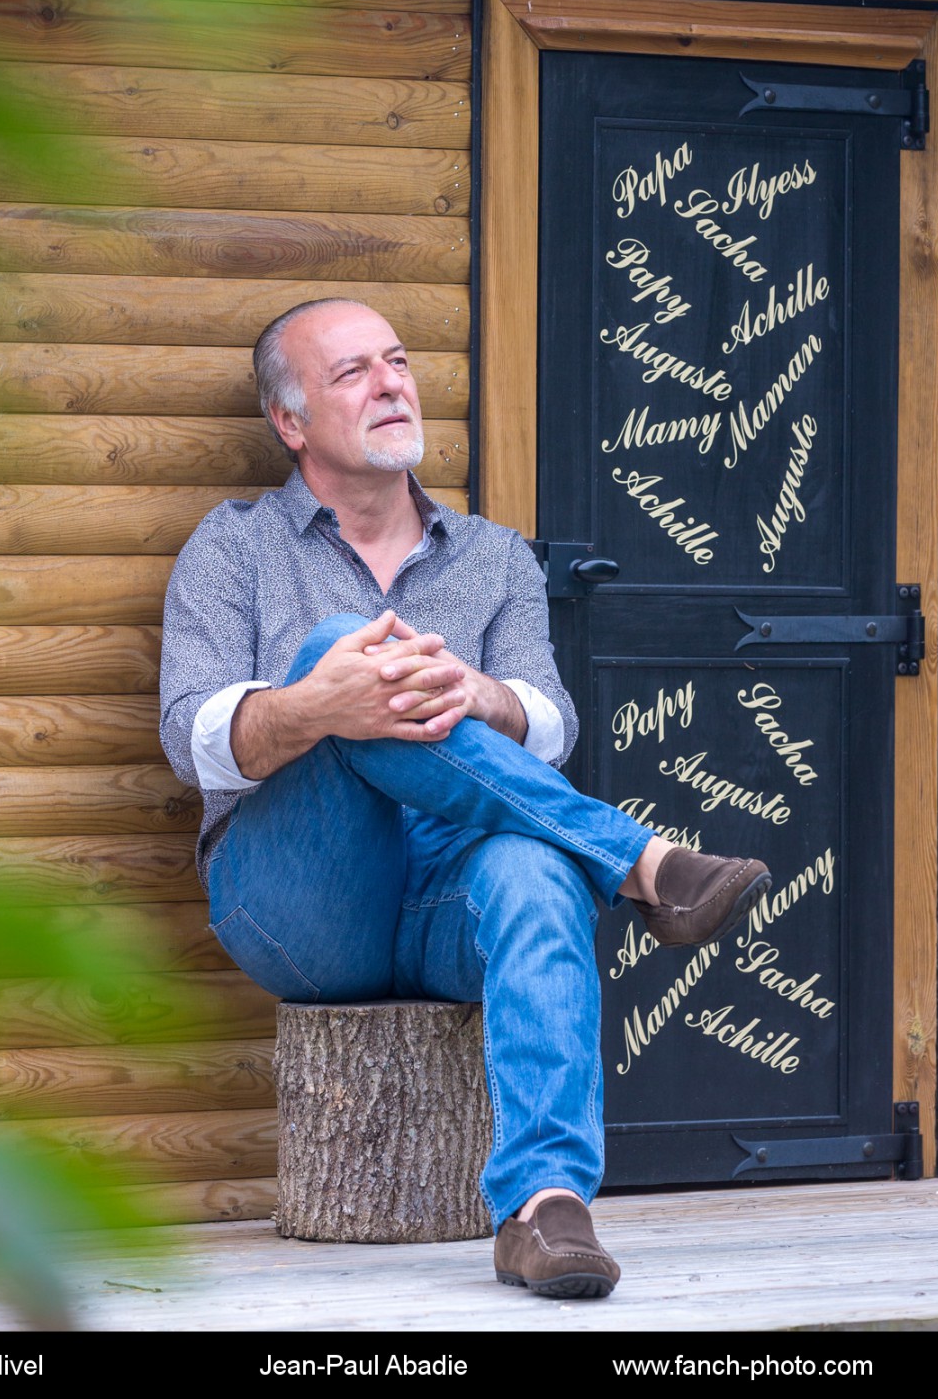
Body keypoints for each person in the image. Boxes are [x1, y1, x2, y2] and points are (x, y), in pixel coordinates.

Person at [158, 297, 771, 1299]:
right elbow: (191, 739)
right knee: (336, 651)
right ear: (292, 421)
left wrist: (483, 696)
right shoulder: (233, 548)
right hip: (298, 905)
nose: (392, 381)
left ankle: (544, 1208)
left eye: (398, 360)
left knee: (534, 867)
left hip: (455, 896)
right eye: (352, 371)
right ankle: (644, 862)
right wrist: (316, 706)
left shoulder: (492, 557)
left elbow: (552, 721)